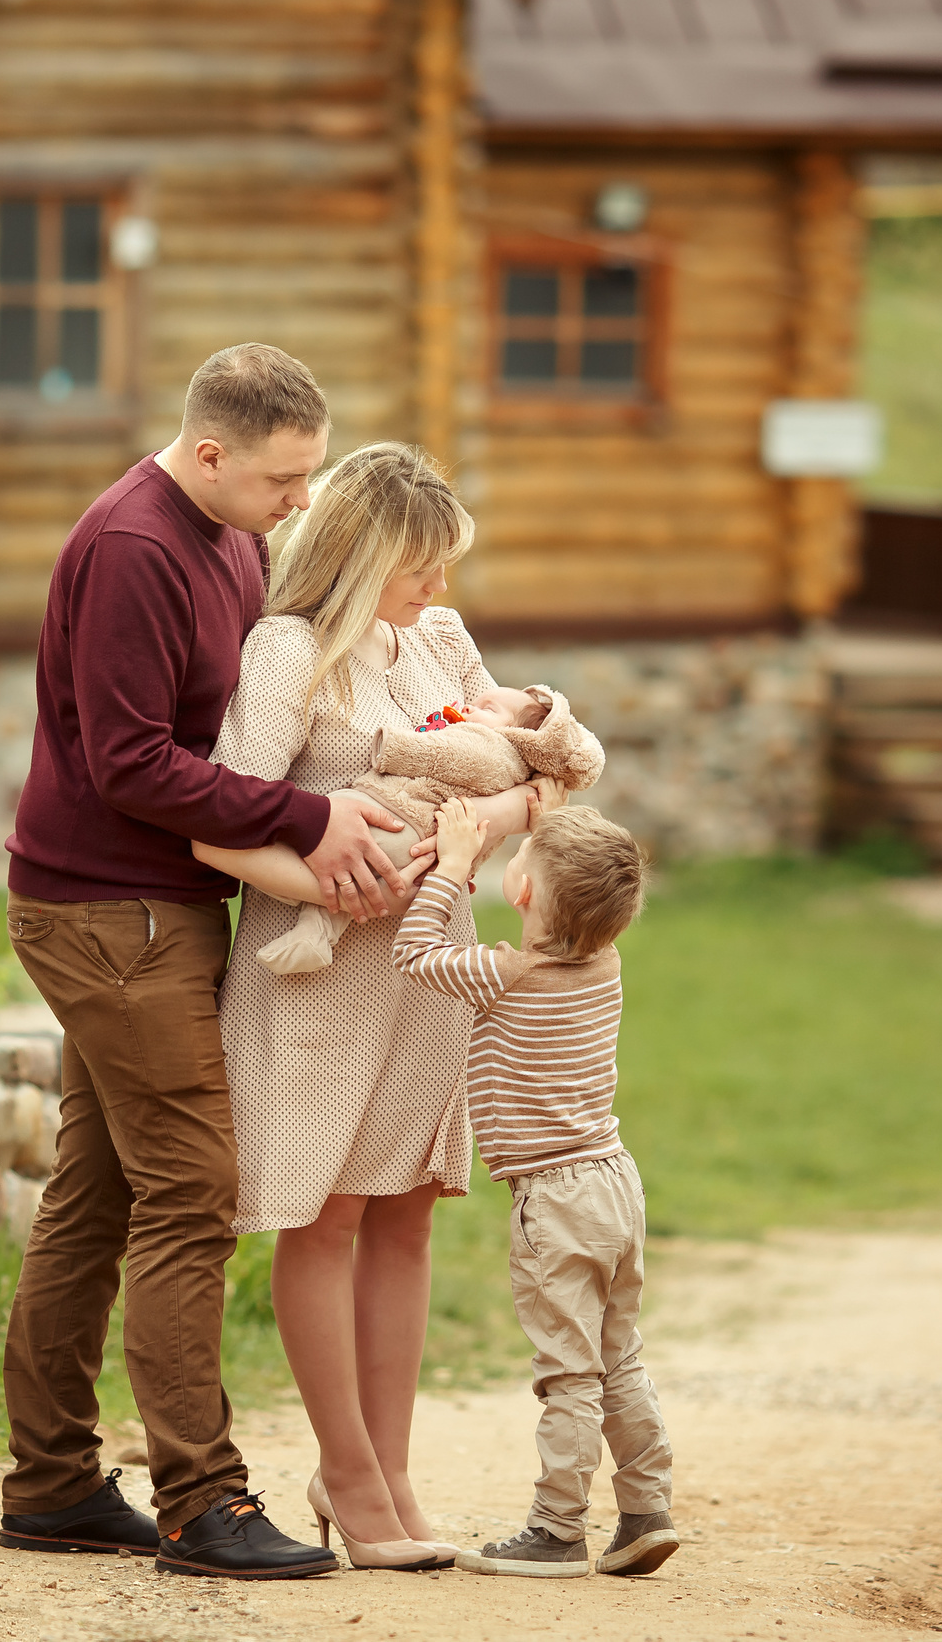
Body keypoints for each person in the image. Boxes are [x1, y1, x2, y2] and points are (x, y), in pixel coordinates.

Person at [0, 344, 411, 1581]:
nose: (301, 503)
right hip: (107, 912)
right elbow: (128, 762)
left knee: (98, 1198)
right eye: (285, 479)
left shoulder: (235, 534)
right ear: (211, 452)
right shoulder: (135, 546)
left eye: (312, 477)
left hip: (161, 903)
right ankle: (199, 1502)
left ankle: (55, 1487)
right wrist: (308, 822)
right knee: (191, 1189)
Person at [194, 443, 557, 1571]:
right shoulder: (287, 651)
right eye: (420, 569)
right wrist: (336, 879)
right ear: (361, 558)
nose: (439, 592)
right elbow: (221, 818)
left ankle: (392, 1477)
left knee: (406, 1208)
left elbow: (532, 775)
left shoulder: (437, 642)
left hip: (431, 951)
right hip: (317, 969)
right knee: (327, 1215)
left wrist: (481, 834)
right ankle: (346, 1474)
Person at [391, 798, 677, 1580]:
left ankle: (556, 1530)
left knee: (569, 1370)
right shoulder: (606, 963)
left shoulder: (505, 973)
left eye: (522, 854)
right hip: (615, 1182)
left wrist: (451, 868)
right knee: (619, 1357)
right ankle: (647, 1510)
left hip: (554, 1197)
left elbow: (413, 955)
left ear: (519, 891)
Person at [247, 680, 604, 975]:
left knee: (334, 813)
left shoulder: (487, 746)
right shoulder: (501, 759)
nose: (469, 708)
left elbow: (439, 754)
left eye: (487, 708)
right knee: (352, 873)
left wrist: (394, 747)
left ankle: (292, 883)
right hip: (422, 849)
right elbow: (526, 807)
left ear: (517, 735)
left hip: (396, 816)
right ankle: (316, 932)